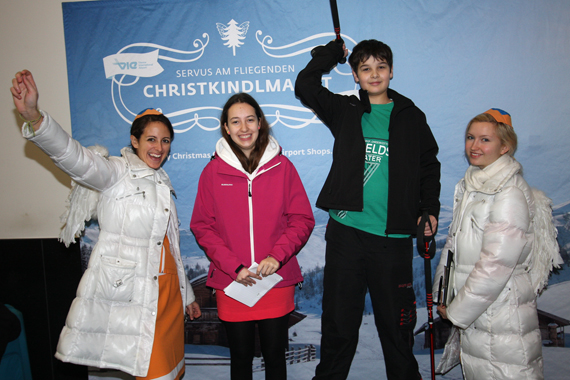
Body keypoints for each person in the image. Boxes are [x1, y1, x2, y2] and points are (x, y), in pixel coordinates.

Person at [10, 70, 201, 380]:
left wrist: (188, 295)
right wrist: (35, 117)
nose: (159, 147)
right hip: (139, 297)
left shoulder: (163, 182)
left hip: (168, 297)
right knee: (153, 373)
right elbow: (73, 157)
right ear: (134, 140)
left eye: (165, 141)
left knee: (172, 371)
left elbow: (171, 249)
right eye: (151, 139)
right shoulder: (116, 172)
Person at [295, 39, 441, 380]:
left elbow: (428, 166)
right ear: (356, 76)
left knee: (397, 330)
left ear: (391, 71)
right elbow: (305, 85)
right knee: (338, 327)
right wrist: (332, 54)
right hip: (347, 235)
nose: (374, 74)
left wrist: (429, 209)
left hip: (393, 239)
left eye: (380, 67)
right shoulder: (345, 110)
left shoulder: (410, 115)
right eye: (365, 69)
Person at [190, 93, 315, 380]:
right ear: (226, 128)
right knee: (241, 359)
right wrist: (233, 266)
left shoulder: (283, 167)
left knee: (274, 357)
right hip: (232, 281)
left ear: (260, 123)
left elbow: (302, 219)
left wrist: (277, 256)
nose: (243, 128)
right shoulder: (212, 172)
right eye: (235, 121)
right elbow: (202, 225)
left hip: (275, 279)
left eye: (249, 120)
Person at [434, 109, 546, 379]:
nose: (474, 146)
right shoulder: (470, 186)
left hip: (501, 315)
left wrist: (457, 311)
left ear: (505, 146)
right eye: (470, 137)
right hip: (479, 315)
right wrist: (444, 294)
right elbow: (453, 247)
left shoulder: (509, 192)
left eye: (485, 140)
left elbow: (495, 265)